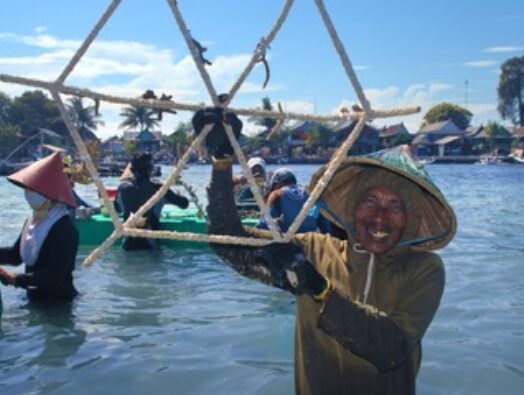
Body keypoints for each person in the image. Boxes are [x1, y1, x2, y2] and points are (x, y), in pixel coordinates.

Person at [194, 107, 456, 395]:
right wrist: (221, 159)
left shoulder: (424, 269)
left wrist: (319, 288)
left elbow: (391, 349)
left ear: (411, 220)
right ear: (352, 207)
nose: (380, 216)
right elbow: (230, 245)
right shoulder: (314, 249)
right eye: (370, 200)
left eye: (396, 206)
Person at [0, 152, 78, 302]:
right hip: (34, 298)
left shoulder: (65, 228)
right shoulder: (34, 220)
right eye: (28, 189)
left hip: (59, 303)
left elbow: (53, 277)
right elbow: (15, 256)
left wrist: (15, 279)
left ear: (50, 194)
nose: (29, 194)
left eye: (34, 190)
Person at [116, 152, 190, 250]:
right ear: (150, 169)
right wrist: (176, 193)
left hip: (127, 246)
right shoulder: (158, 189)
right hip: (150, 248)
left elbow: (117, 209)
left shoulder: (122, 189)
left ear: (131, 170)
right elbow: (184, 204)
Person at [256, 167, 331, 234]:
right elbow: (326, 228)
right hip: (310, 242)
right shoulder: (311, 194)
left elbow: (264, 224)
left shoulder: (276, 195)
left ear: (277, 185)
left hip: (290, 244)